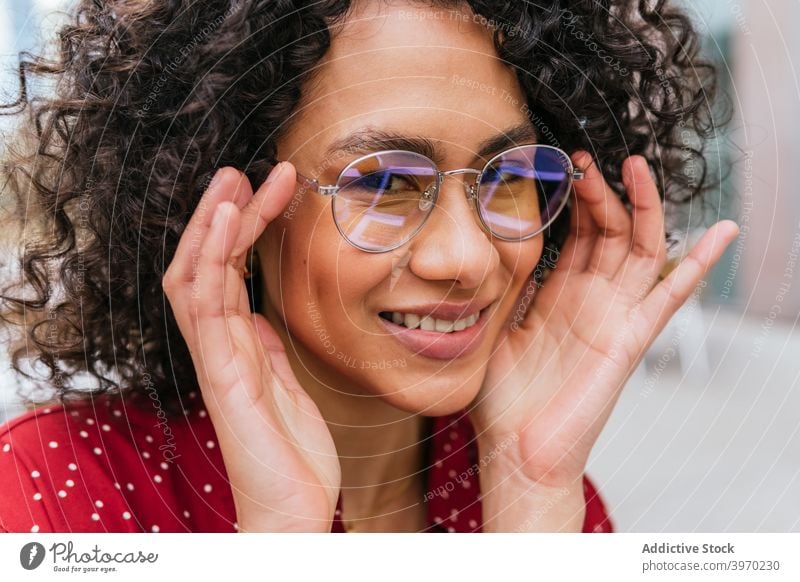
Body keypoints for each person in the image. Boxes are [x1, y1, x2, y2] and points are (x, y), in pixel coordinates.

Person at [0, 0, 738, 533]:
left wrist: (529, 493)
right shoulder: (51, 493)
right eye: (384, 183)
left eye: (506, 173)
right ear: (232, 203)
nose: (467, 257)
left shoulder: (546, 491)